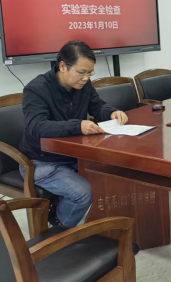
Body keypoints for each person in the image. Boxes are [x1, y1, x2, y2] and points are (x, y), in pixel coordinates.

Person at [19, 40, 128, 228]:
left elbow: (97, 105)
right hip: (41, 161)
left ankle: (107, 229)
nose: (85, 78)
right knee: (82, 193)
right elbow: (38, 127)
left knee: (114, 176)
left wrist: (111, 113)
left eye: (90, 73)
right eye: (81, 72)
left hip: (74, 154)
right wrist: (78, 126)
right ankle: (59, 229)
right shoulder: (36, 89)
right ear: (62, 66)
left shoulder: (83, 85)